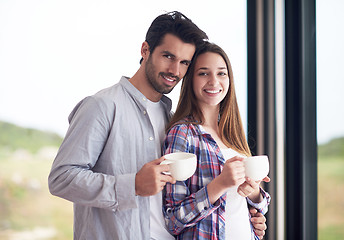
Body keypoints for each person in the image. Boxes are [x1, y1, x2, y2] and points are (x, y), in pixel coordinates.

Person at [48, 11, 208, 240]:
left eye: (184, 63)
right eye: (168, 56)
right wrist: (132, 185)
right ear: (145, 50)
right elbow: (61, 179)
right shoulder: (102, 106)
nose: (176, 71)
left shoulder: (173, 121)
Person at [162, 42, 271, 239]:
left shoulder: (233, 135)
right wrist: (220, 184)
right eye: (203, 73)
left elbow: (254, 207)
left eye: (221, 73)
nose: (214, 81)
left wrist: (254, 193)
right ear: (190, 80)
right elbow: (173, 220)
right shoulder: (182, 133)